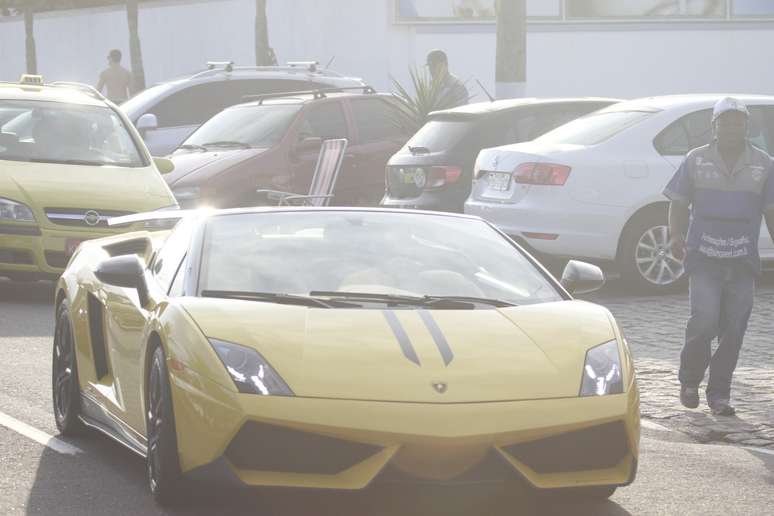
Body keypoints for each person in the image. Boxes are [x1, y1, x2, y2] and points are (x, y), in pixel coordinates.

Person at [664, 97, 774, 416]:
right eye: (725, 122)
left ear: (746, 127)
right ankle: (689, 380)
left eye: (738, 122)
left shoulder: (764, 163)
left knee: (734, 327)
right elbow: (678, 203)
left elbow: (771, 211)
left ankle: (719, 394)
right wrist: (675, 235)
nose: (731, 127)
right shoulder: (695, 160)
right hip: (703, 258)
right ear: (714, 126)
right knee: (705, 320)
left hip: (743, 260)